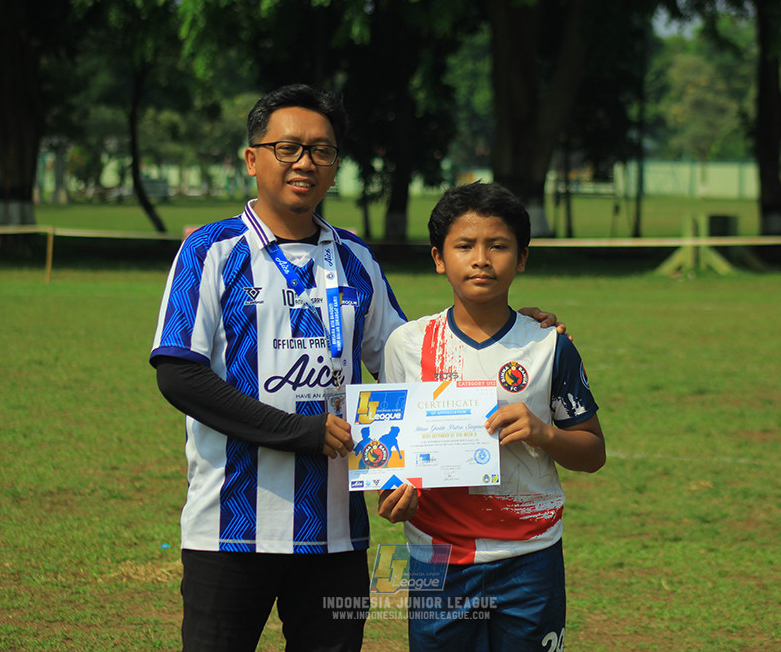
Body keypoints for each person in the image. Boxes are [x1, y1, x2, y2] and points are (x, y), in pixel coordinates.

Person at [149, 84, 563, 652]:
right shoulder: (211, 250)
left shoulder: (354, 258)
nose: (305, 163)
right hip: (229, 528)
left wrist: (510, 325)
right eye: (288, 148)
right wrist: (303, 432)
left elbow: (415, 363)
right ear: (252, 159)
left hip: (336, 535)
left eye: (322, 151)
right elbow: (179, 374)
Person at [378, 181, 606, 651]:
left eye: (498, 245)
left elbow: (593, 452)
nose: (481, 258)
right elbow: (387, 453)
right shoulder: (406, 345)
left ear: (522, 257)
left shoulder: (548, 345)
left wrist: (543, 433)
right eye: (464, 245)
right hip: (435, 556)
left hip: (530, 554)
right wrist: (390, 493)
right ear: (439, 258)